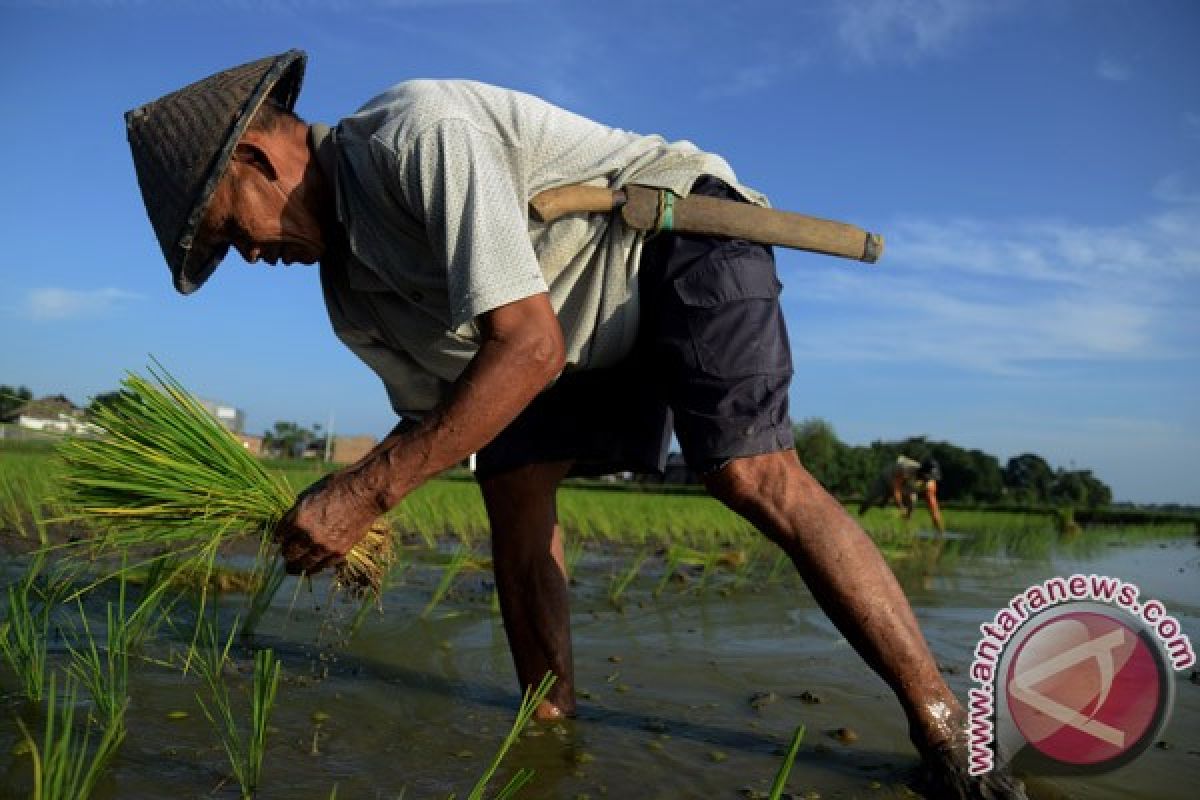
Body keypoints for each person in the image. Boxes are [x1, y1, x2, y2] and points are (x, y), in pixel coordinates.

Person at [125, 50, 1021, 798]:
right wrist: (358, 518)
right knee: (514, 506)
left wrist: (363, 491)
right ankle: (549, 735)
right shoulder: (352, 300)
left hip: (671, 237)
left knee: (750, 473)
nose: (248, 255)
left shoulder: (418, 134)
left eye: (229, 231)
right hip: (560, 327)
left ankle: (946, 737)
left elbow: (526, 350)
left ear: (257, 157)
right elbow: (449, 424)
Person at [860, 455, 946, 533]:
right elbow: (896, 489)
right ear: (922, 472)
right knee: (871, 498)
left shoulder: (930, 485)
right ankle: (859, 516)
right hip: (887, 478)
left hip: (906, 486)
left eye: (931, 478)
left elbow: (933, 508)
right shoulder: (907, 469)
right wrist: (901, 507)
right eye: (928, 477)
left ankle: (906, 528)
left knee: (912, 503)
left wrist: (940, 530)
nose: (929, 479)